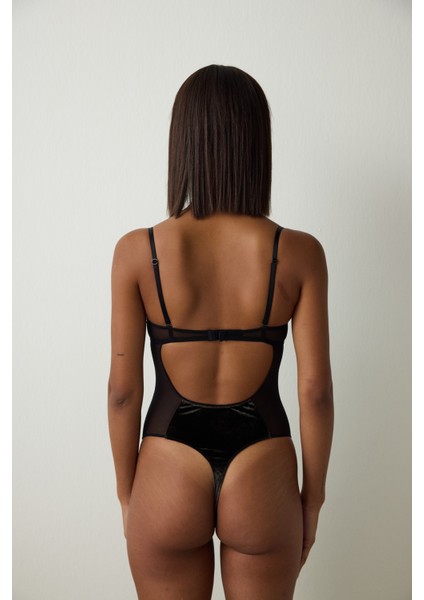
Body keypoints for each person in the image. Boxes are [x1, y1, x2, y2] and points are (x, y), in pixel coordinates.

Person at [108, 64, 334, 600]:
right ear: (258, 144)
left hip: (167, 466)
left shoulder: (138, 251)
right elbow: (315, 393)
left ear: (183, 143)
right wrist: (312, 500)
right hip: (263, 467)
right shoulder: (300, 253)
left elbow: (122, 393)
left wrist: (127, 495)